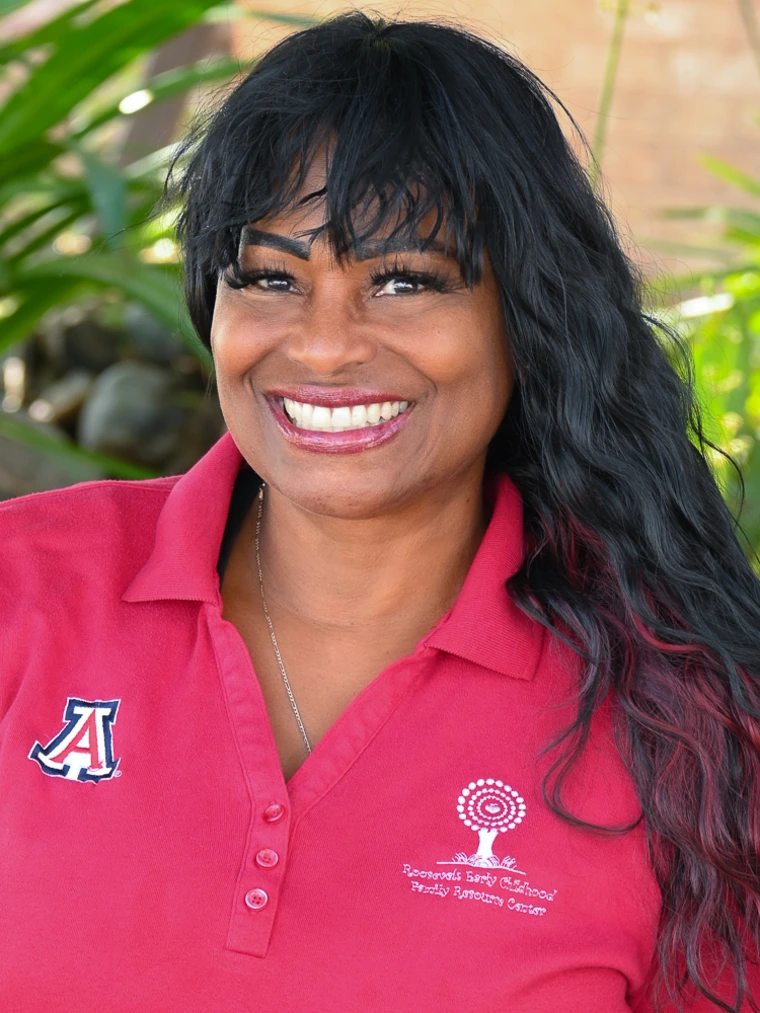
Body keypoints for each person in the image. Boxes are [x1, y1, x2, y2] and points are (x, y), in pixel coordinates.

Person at [1, 11, 759, 1013]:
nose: (321, 346)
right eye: (270, 277)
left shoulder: (685, 715)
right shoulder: (28, 585)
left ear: (528, 314)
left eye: (403, 280)